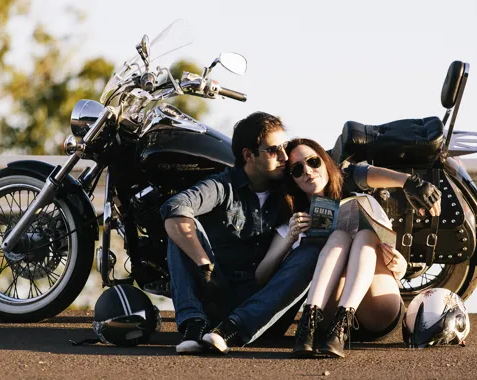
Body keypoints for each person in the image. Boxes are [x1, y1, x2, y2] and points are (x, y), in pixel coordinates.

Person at [255, 138, 442, 358]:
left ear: (325, 163)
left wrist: (399, 264)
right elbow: (261, 275)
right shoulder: (295, 222)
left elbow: (396, 271)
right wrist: (290, 240)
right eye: (297, 169)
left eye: (313, 161)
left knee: (364, 235)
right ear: (293, 180)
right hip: (327, 317)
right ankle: (308, 326)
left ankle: (341, 325)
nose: (308, 171)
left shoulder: (364, 202)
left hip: (378, 310)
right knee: (339, 237)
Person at [160, 112, 323, 355]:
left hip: (265, 311)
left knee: (312, 250)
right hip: (217, 297)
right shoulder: (221, 186)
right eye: (273, 150)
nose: (284, 157)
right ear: (248, 155)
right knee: (181, 224)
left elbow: (338, 173)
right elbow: (174, 208)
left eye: (285, 147)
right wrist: (204, 265)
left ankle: (231, 330)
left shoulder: (292, 184)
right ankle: (194, 326)